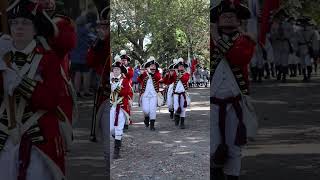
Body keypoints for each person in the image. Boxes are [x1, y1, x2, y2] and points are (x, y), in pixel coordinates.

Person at [0, 0, 69, 179]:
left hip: (39, 139)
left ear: (36, 28)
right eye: (14, 23)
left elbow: (52, 100)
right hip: (4, 136)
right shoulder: (2, 56)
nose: (19, 27)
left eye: (25, 23)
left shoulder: (48, 59)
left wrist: (21, 83)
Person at [210, 1, 256, 179]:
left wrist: (217, 38)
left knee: (234, 146)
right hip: (212, 104)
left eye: (232, 15)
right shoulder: (210, 40)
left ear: (238, 21)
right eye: (224, 15)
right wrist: (214, 36)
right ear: (218, 20)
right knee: (213, 145)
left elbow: (238, 58)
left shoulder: (245, 40)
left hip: (236, 103)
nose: (228, 17)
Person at [110, 58, 130, 159]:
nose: (116, 70)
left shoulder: (124, 81)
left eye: (118, 69)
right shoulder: (109, 80)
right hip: (111, 107)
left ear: (121, 71)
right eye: (114, 69)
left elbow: (126, 92)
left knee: (118, 128)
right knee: (111, 129)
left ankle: (116, 151)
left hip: (120, 107)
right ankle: (118, 138)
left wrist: (116, 90)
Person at [137, 57, 161, 131]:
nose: (153, 67)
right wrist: (141, 74)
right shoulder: (144, 73)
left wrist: (151, 73)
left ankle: (152, 125)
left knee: (153, 110)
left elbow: (158, 78)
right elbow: (138, 80)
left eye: (154, 66)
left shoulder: (157, 73)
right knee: (146, 110)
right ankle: (146, 118)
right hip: (145, 95)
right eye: (151, 66)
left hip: (154, 95)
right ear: (148, 66)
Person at [172, 58, 190, 129]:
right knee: (176, 108)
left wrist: (178, 74)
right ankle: (176, 116)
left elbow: (184, 80)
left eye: (182, 66)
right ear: (177, 67)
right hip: (176, 94)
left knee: (183, 108)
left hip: (183, 94)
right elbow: (169, 79)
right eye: (179, 66)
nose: (181, 67)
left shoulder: (186, 74)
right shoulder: (174, 74)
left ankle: (182, 123)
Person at [119, 50, 134, 129]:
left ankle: (126, 122)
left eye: (125, 60)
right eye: (122, 60)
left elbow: (130, 75)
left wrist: (123, 68)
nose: (123, 61)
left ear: (127, 61)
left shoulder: (130, 68)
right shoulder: (117, 68)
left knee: (127, 106)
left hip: (128, 90)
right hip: (118, 89)